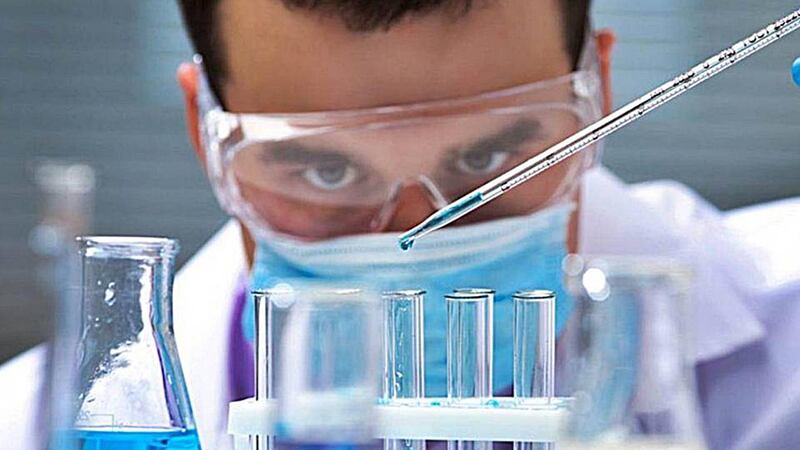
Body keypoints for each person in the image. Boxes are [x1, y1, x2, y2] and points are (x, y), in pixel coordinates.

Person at [2, 1, 800, 449]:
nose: (415, 234)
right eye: (326, 171)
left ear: (601, 94)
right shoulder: (26, 425)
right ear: (201, 128)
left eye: (488, 157)